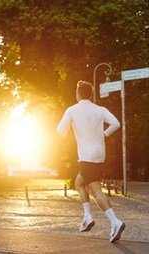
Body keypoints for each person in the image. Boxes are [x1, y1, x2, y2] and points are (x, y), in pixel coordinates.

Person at [56, 80, 125, 243]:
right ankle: (87, 217)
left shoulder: (72, 110)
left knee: (95, 189)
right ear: (91, 94)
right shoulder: (100, 110)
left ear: (78, 93)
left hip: (86, 155)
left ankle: (115, 222)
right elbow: (116, 123)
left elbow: (59, 130)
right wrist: (104, 134)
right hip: (99, 154)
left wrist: (65, 133)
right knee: (79, 183)